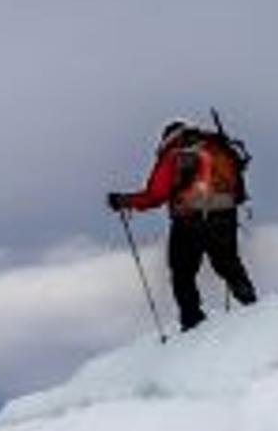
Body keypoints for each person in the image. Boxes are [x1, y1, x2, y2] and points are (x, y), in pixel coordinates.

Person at [110, 118, 257, 330]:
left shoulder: (173, 155)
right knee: (228, 264)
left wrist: (124, 201)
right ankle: (252, 305)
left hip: (190, 218)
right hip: (225, 212)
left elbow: (155, 195)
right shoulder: (216, 146)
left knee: (183, 271)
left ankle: (192, 321)